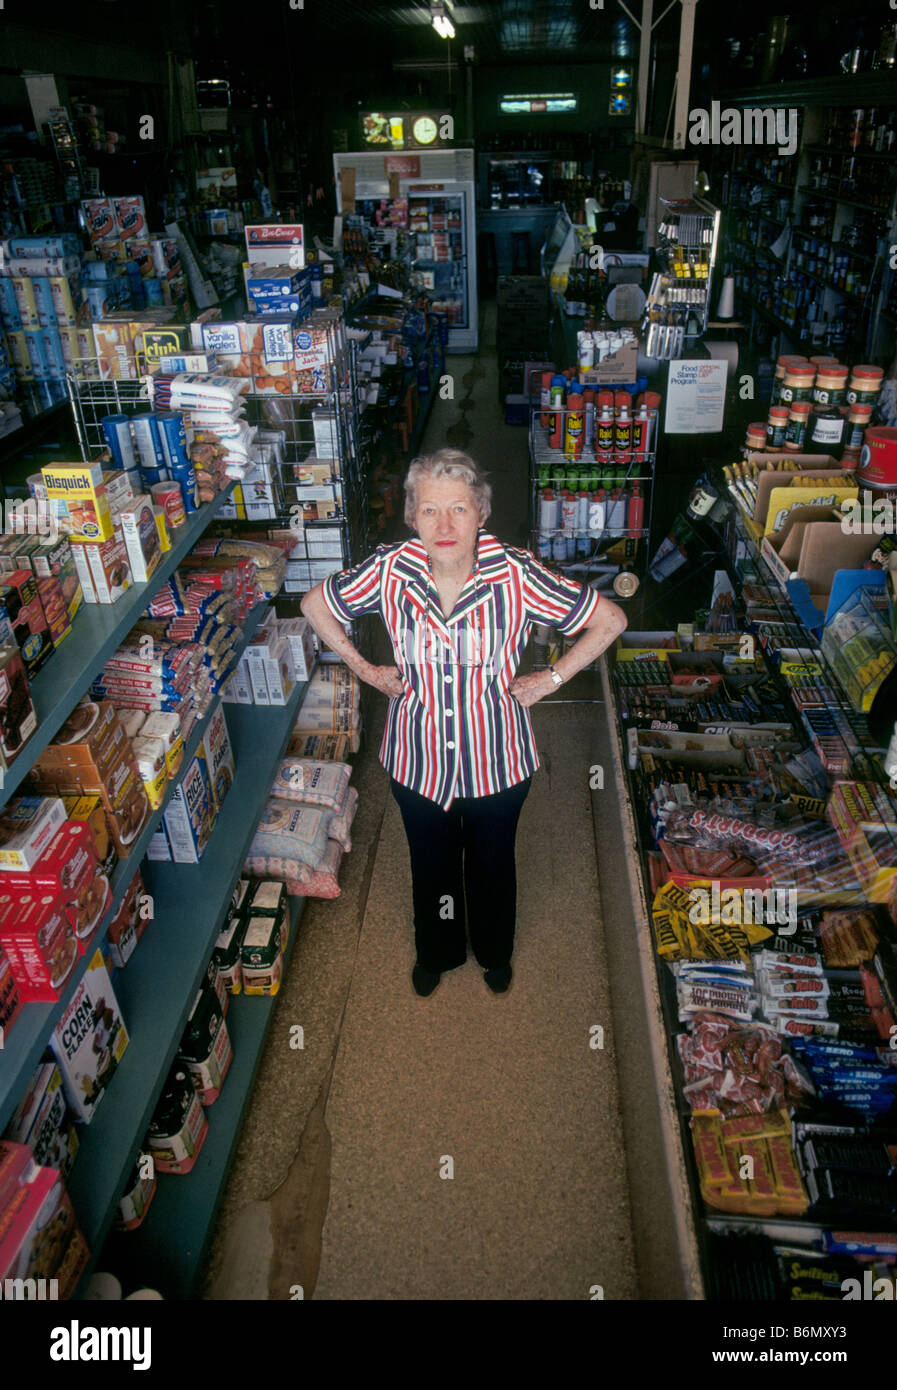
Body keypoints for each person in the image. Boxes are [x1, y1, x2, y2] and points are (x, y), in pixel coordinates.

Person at [300, 448, 628, 997]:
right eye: (430, 511)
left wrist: (550, 679)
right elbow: (316, 605)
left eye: (459, 509)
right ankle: (439, 950)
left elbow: (609, 619)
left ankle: (495, 952)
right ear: (412, 517)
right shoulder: (391, 569)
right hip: (417, 758)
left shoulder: (518, 574)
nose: (444, 525)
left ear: (482, 512)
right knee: (431, 865)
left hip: (497, 761)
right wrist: (365, 670)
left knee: (493, 864)